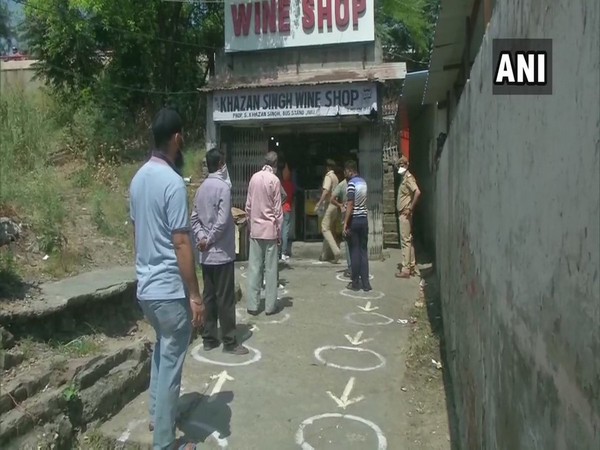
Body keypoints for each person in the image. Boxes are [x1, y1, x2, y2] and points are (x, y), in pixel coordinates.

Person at [129, 107, 203, 450]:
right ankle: (163, 443)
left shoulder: (138, 179)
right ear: (177, 139)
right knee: (172, 362)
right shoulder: (172, 183)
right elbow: (181, 241)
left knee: (163, 352)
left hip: (146, 288)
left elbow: (138, 232)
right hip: (170, 290)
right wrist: (195, 294)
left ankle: (157, 415)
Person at [191, 148, 249, 356]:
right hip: (221, 253)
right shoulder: (223, 188)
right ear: (222, 164)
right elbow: (224, 220)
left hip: (206, 254)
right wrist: (210, 239)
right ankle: (230, 341)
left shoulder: (201, 188)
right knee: (225, 298)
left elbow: (194, 218)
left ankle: (209, 338)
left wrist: (201, 238)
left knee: (209, 296)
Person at [245, 151, 283, 316]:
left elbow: (248, 206)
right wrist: (279, 233)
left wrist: (250, 224)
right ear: (275, 165)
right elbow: (278, 211)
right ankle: (270, 306)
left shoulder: (253, 178)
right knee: (271, 269)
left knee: (254, 268)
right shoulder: (274, 180)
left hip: (255, 230)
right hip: (270, 231)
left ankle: (252, 305)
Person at [343, 160, 372, 292]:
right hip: (364, 219)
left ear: (350, 170)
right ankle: (366, 283)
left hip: (354, 220)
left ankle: (355, 282)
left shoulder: (351, 184)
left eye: (346, 171)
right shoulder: (363, 183)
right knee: (363, 252)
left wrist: (345, 223)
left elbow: (350, 204)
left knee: (354, 251)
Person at [395, 155, 421, 278]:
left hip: (405, 213)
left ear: (407, 165)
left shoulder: (409, 178)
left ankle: (406, 269)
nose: (401, 167)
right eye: (399, 165)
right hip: (404, 212)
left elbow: (417, 192)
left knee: (405, 241)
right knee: (408, 240)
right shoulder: (403, 178)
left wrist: (410, 208)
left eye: (403, 165)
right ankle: (410, 265)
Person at [315, 159, 341, 263]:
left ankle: (336, 251)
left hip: (330, 205)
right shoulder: (335, 177)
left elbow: (326, 191)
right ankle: (324, 255)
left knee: (324, 228)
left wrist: (319, 203)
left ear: (327, 168)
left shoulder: (328, 177)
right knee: (328, 228)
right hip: (335, 205)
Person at [330, 174, 351, 278]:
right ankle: (352, 267)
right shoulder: (342, 184)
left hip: (352, 214)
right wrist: (340, 205)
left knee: (351, 241)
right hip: (348, 214)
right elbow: (332, 198)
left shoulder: (354, 183)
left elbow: (332, 198)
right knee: (349, 240)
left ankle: (352, 267)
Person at [280, 162, 296, 260]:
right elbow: (293, 196)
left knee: (279, 231)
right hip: (287, 209)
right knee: (285, 232)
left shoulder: (280, 183)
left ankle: (278, 252)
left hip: (279, 209)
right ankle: (283, 252)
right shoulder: (291, 185)